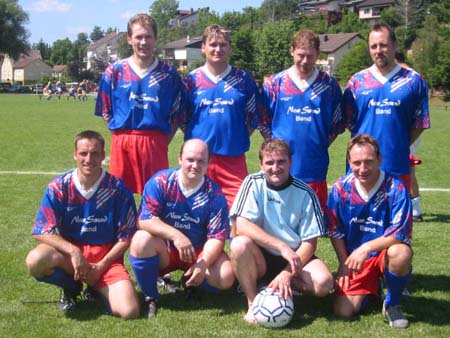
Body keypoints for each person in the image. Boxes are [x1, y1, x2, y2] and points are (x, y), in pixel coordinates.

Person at [25, 130, 140, 319]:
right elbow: (41, 231)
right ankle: (71, 286)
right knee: (35, 261)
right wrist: (73, 251)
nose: (89, 159)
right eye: (83, 153)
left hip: (105, 259)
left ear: (103, 156)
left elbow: (126, 236)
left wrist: (101, 266)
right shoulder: (59, 186)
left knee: (130, 311)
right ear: (75, 155)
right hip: (70, 258)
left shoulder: (117, 189)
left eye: (95, 153)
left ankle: (96, 289)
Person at [230, 138, 333, 324]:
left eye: (281, 162)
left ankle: (289, 284)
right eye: (269, 162)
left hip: (295, 257)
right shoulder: (252, 183)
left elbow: (310, 243)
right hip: (260, 255)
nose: (275, 167)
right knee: (238, 244)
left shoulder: (305, 193)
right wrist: (280, 246)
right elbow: (241, 225)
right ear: (261, 164)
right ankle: (253, 302)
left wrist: (287, 272)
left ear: (290, 162)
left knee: (324, 283)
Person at [129, 138, 235, 318]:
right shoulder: (161, 182)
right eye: (190, 160)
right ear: (180, 159)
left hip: (196, 252)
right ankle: (151, 296)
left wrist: (203, 264)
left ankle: (191, 281)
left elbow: (217, 237)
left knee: (226, 276)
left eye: (201, 161)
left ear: (209, 163)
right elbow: (144, 220)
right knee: (140, 240)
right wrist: (176, 236)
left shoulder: (214, 195)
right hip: (166, 250)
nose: (195, 165)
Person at [326, 134, 413, 329]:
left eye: (369, 162)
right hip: (356, 260)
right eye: (357, 163)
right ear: (349, 161)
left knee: (401, 253)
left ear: (379, 159)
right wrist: (343, 261)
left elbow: (401, 232)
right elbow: (335, 229)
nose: (363, 169)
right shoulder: (341, 188)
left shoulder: (395, 187)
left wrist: (366, 247)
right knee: (343, 311)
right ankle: (375, 287)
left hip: (383, 254)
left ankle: (392, 303)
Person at [95, 13, 183, 194]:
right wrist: (120, 135)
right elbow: (105, 109)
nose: (144, 42)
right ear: (129, 39)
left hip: (155, 142)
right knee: (118, 198)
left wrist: (162, 141)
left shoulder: (169, 74)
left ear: (156, 39)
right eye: (139, 37)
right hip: (122, 141)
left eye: (148, 37)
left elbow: (177, 114)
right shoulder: (114, 71)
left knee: (156, 198)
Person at [181, 24, 265, 209]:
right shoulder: (191, 81)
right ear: (203, 47)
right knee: (196, 214)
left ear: (230, 48)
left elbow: (253, 118)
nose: (218, 49)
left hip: (233, 160)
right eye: (213, 44)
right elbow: (183, 118)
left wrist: (235, 136)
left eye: (223, 44)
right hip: (199, 160)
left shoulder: (244, 80)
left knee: (239, 216)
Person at [261, 29, 345, 212]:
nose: (305, 61)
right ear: (292, 51)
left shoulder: (329, 86)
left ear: (318, 55)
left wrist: (319, 143)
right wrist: (275, 149)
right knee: (279, 219)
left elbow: (337, 124)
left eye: (310, 56)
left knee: (312, 223)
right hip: (280, 166)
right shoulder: (275, 84)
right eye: (301, 55)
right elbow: (263, 121)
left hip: (314, 165)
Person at [343, 23, 430, 191]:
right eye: (373, 46)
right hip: (361, 170)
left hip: (397, 166)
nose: (378, 51)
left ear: (395, 45)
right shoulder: (357, 82)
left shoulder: (414, 81)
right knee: (359, 217)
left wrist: (397, 143)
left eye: (383, 45)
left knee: (396, 216)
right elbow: (349, 123)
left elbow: (419, 124)